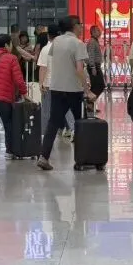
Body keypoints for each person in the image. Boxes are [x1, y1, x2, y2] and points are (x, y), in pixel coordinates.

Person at [37, 16, 95, 171]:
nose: (81, 27)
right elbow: (79, 70)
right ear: (74, 26)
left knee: (53, 123)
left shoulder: (56, 41)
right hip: (73, 90)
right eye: (80, 24)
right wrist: (87, 90)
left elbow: (53, 61)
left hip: (56, 88)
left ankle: (43, 157)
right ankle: (81, 160)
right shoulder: (78, 44)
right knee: (79, 123)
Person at [86, 25, 106, 105]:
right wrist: (93, 67)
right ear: (93, 32)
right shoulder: (92, 42)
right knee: (99, 86)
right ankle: (89, 102)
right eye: (98, 30)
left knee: (96, 86)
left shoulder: (95, 41)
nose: (100, 32)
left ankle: (90, 104)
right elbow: (90, 55)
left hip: (96, 66)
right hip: (94, 67)